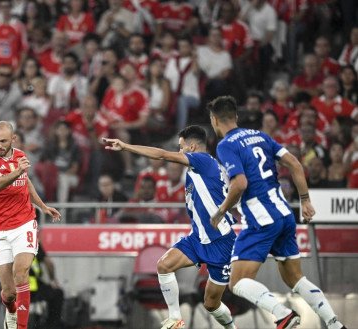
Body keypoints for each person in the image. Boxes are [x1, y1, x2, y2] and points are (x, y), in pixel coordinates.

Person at [207, 96, 347, 329]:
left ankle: (283, 314)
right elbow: (294, 163)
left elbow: (240, 183)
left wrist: (221, 210)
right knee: (295, 277)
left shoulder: (226, 145)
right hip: (284, 214)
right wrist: (305, 201)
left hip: (261, 220)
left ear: (214, 120)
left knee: (238, 281)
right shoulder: (260, 136)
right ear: (236, 117)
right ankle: (334, 324)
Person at [104, 125, 237, 329]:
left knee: (211, 304)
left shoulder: (202, 160)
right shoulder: (198, 170)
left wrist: (126, 147)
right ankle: (175, 318)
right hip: (198, 238)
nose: (179, 151)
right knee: (164, 265)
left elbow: (163, 155)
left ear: (192, 147)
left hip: (220, 241)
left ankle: (231, 328)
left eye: (181, 147)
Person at [0, 121, 61, 329]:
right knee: (8, 292)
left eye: (3, 141)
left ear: (13, 139)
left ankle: (20, 328)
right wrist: (19, 171)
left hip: (24, 223)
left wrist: (42, 206)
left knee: (21, 273)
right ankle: (11, 312)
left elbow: (26, 181)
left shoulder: (20, 155)